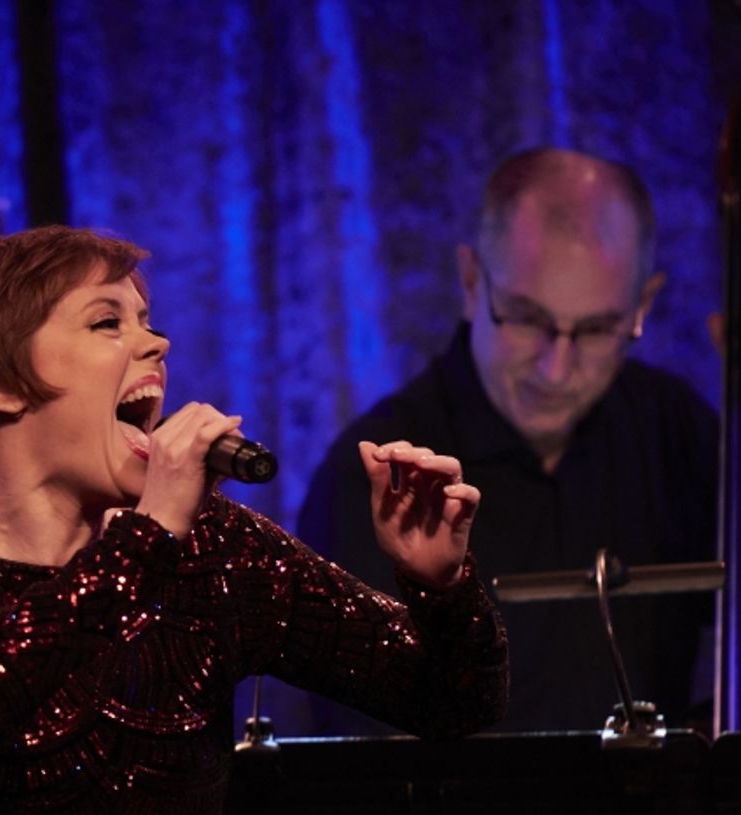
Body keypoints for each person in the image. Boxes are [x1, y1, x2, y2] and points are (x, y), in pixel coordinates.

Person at [0, 225, 508, 815]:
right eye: (107, 321)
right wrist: (147, 539)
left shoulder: (211, 547)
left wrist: (440, 587)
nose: (158, 343)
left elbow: (451, 703)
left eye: (146, 320)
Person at [297, 147, 719, 735]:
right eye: (526, 318)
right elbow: (365, 759)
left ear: (643, 307)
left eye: (597, 329)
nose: (556, 369)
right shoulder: (372, 478)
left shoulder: (683, 437)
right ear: (472, 283)